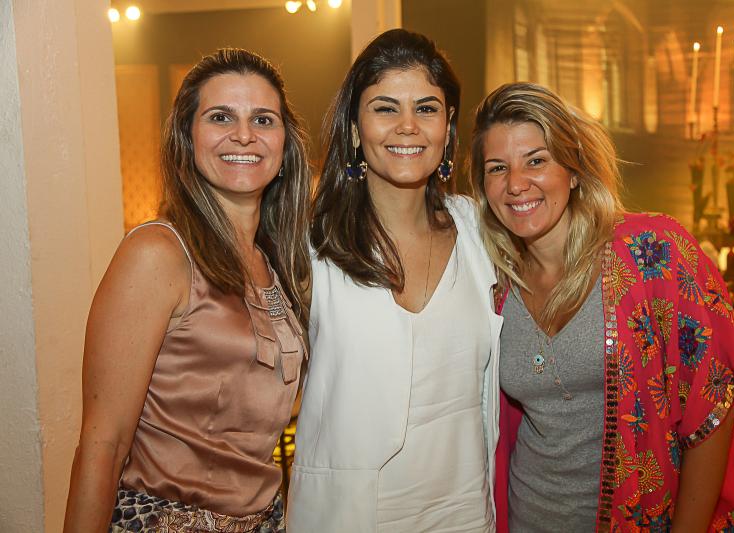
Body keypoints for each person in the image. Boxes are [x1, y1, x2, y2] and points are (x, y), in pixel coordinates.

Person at [469, 82, 734, 532]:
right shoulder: (493, 282)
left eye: (536, 160)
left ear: (574, 170)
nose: (516, 183)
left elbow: (711, 410)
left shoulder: (653, 253)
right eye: (497, 168)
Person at [64, 48, 310, 533]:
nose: (244, 135)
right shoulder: (158, 253)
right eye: (221, 117)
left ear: (285, 147)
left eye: (263, 119)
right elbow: (103, 443)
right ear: (187, 138)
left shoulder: (278, 265)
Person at [287, 29, 502, 532]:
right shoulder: (310, 245)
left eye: (426, 109)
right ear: (355, 128)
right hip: (344, 517)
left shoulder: (481, 231)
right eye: (385, 108)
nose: (408, 126)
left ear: (448, 128)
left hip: (464, 513)